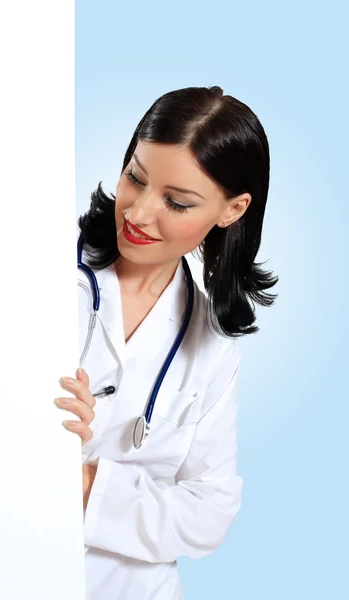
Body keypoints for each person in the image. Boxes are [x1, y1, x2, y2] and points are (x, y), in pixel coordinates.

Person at [54, 85, 278, 600]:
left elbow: (208, 515)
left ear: (232, 209)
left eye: (176, 202)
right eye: (135, 178)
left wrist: (88, 484)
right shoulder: (37, 274)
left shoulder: (213, 348)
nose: (137, 213)